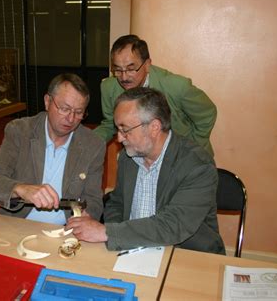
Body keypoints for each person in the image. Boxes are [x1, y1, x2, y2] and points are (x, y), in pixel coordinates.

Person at [66, 87, 225, 254]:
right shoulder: (129, 157)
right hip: (133, 251)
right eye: (117, 130)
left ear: (154, 127)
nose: (119, 138)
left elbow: (172, 225)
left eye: (125, 130)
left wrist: (107, 232)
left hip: (186, 256)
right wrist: (115, 237)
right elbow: (117, 202)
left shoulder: (197, 165)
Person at [0, 73, 106, 224]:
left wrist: (85, 217)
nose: (71, 118)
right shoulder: (20, 131)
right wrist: (20, 189)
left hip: (64, 230)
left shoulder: (93, 145)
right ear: (47, 102)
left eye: (79, 112)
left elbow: (94, 200)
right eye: (64, 109)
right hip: (17, 224)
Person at [93, 34, 217, 156]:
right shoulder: (108, 88)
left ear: (147, 65)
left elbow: (207, 113)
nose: (124, 77)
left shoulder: (177, 86)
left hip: (183, 155)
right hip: (141, 153)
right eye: (118, 70)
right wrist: (87, 142)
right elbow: (110, 124)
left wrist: (190, 148)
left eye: (131, 69)